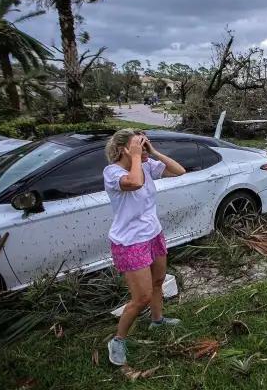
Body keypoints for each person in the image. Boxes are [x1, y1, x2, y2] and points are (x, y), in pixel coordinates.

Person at [103, 129, 186, 366]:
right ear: (123, 150)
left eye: (143, 143)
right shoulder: (112, 172)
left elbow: (179, 170)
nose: (142, 146)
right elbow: (135, 182)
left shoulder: (147, 165)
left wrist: (152, 152)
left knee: (158, 282)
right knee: (141, 298)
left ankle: (157, 320)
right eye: (137, 144)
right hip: (130, 242)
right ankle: (117, 341)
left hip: (153, 234)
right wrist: (138, 157)